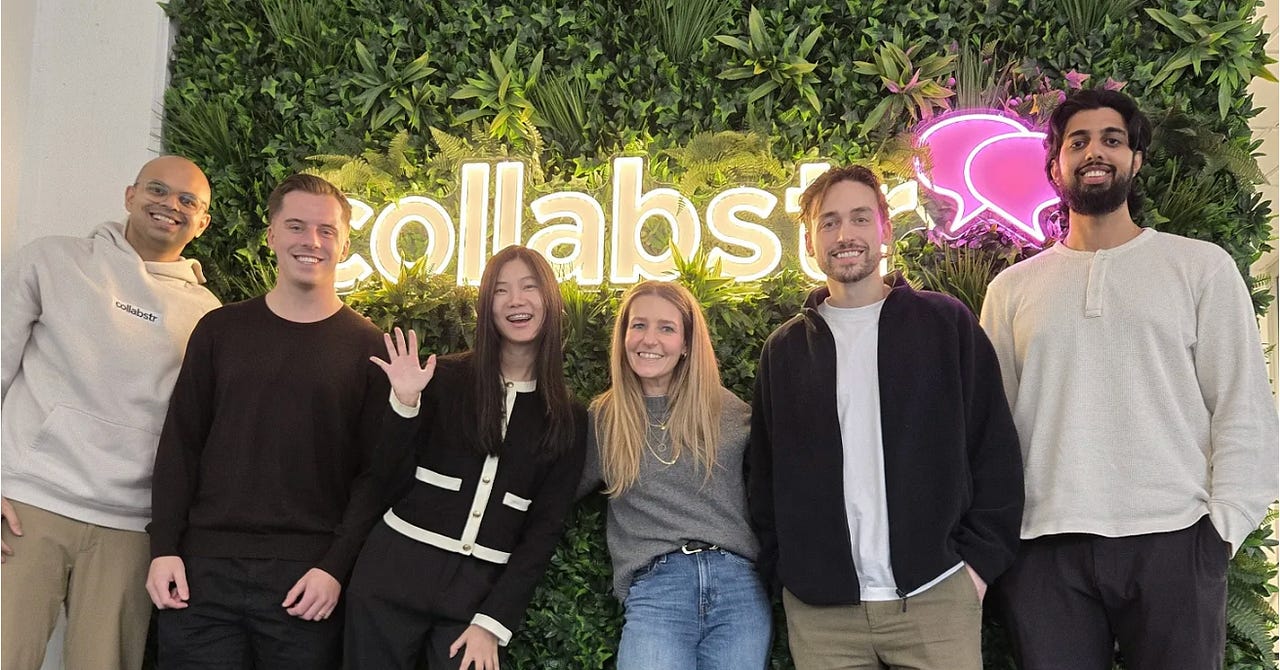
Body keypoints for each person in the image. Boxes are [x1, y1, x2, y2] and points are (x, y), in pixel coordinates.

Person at [980, 88, 1279, 670]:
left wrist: (1223, 531)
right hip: (1045, 548)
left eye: (1112, 140)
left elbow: (1242, 405)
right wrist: (1004, 540)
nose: (1095, 152)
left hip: (1175, 538)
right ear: (1055, 165)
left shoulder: (1200, 268)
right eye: (1078, 142)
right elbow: (993, 429)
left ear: (1136, 160)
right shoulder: (1011, 290)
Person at [748, 164, 1024, 670]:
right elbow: (764, 479)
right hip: (823, 616)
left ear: (885, 230)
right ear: (809, 242)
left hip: (936, 596)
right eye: (829, 222)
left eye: (859, 218)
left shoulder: (946, 325)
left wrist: (977, 566)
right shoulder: (784, 350)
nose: (845, 235)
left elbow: (995, 451)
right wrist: (785, 570)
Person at [145, 173, 389, 669]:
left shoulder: (371, 348)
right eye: (296, 226)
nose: (311, 241)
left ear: (344, 244)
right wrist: (164, 546)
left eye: (326, 230)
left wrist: (335, 567)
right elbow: (180, 444)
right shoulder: (220, 329)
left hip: (307, 582)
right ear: (272, 235)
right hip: (201, 575)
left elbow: (377, 475)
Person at [1, 156, 221, 670]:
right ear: (130, 195)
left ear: (203, 222)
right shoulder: (51, 260)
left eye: (187, 201)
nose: (170, 205)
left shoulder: (208, 315)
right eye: (157, 190)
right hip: (27, 506)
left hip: (130, 526)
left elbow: (198, 432)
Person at [343, 245, 588, 670]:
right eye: (501, 290)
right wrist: (405, 405)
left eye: (529, 287)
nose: (516, 300)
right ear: (486, 305)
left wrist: (493, 621)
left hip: (475, 598)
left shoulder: (568, 416)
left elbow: (543, 531)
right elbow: (384, 475)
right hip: (391, 576)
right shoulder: (442, 379)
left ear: (550, 299)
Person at [578, 280, 770, 670]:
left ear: (685, 344)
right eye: (639, 325)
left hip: (738, 591)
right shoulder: (605, 419)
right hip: (657, 591)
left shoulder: (727, 409)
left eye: (666, 328)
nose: (649, 339)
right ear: (624, 336)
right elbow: (549, 493)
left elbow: (784, 479)